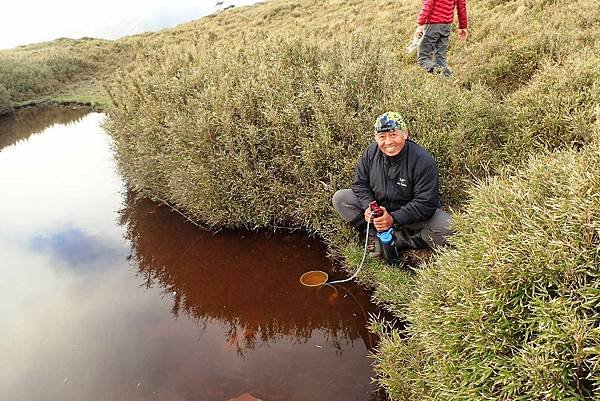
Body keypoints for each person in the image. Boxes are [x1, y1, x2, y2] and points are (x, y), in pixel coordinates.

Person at [332, 111, 452, 258]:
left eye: (393, 135)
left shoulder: (423, 160)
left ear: (405, 134)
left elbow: (426, 203)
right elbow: (360, 184)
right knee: (340, 198)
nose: (388, 142)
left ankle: (401, 240)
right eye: (382, 137)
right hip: (381, 208)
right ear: (376, 138)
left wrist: (393, 218)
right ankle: (376, 236)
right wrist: (370, 207)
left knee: (448, 227)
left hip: (411, 215)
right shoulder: (370, 153)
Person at [414, 0, 468, 77]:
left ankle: (441, 73)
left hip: (433, 25)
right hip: (446, 26)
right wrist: (463, 26)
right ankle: (450, 79)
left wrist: (420, 24)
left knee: (422, 58)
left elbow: (428, 3)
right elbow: (461, 5)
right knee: (441, 61)